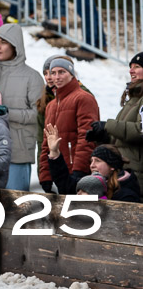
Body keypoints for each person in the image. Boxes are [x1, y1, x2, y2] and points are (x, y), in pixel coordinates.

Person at [0, 23, 44, 191]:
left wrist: (6, 113)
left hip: (17, 152)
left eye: (3, 42)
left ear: (15, 45)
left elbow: (38, 115)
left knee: (15, 208)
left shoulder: (33, 77)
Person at [85, 53, 143, 197]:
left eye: (137, 67)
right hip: (124, 170)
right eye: (130, 67)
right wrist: (104, 136)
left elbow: (140, 130)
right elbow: (123, 137)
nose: (131, 70)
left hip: (137, 171)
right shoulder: (133, 99)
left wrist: (108, 126)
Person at [38, 57, 98, 191]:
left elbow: (87, 137)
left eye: (62, 72)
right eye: (53, 73)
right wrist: (45, 176)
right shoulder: (51, 105)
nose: (56, 77)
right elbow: (46, 143)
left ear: (71, 74)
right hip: (57, 171)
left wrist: (80, 169)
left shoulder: (83, 98)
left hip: (76, 172)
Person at [45, 125, 140, 202]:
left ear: (112, 166)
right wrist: (54, 152)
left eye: (98, 161)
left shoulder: (127, 195)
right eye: (91, 161)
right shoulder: (88, 183)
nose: (92, 165)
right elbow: (65, 183)